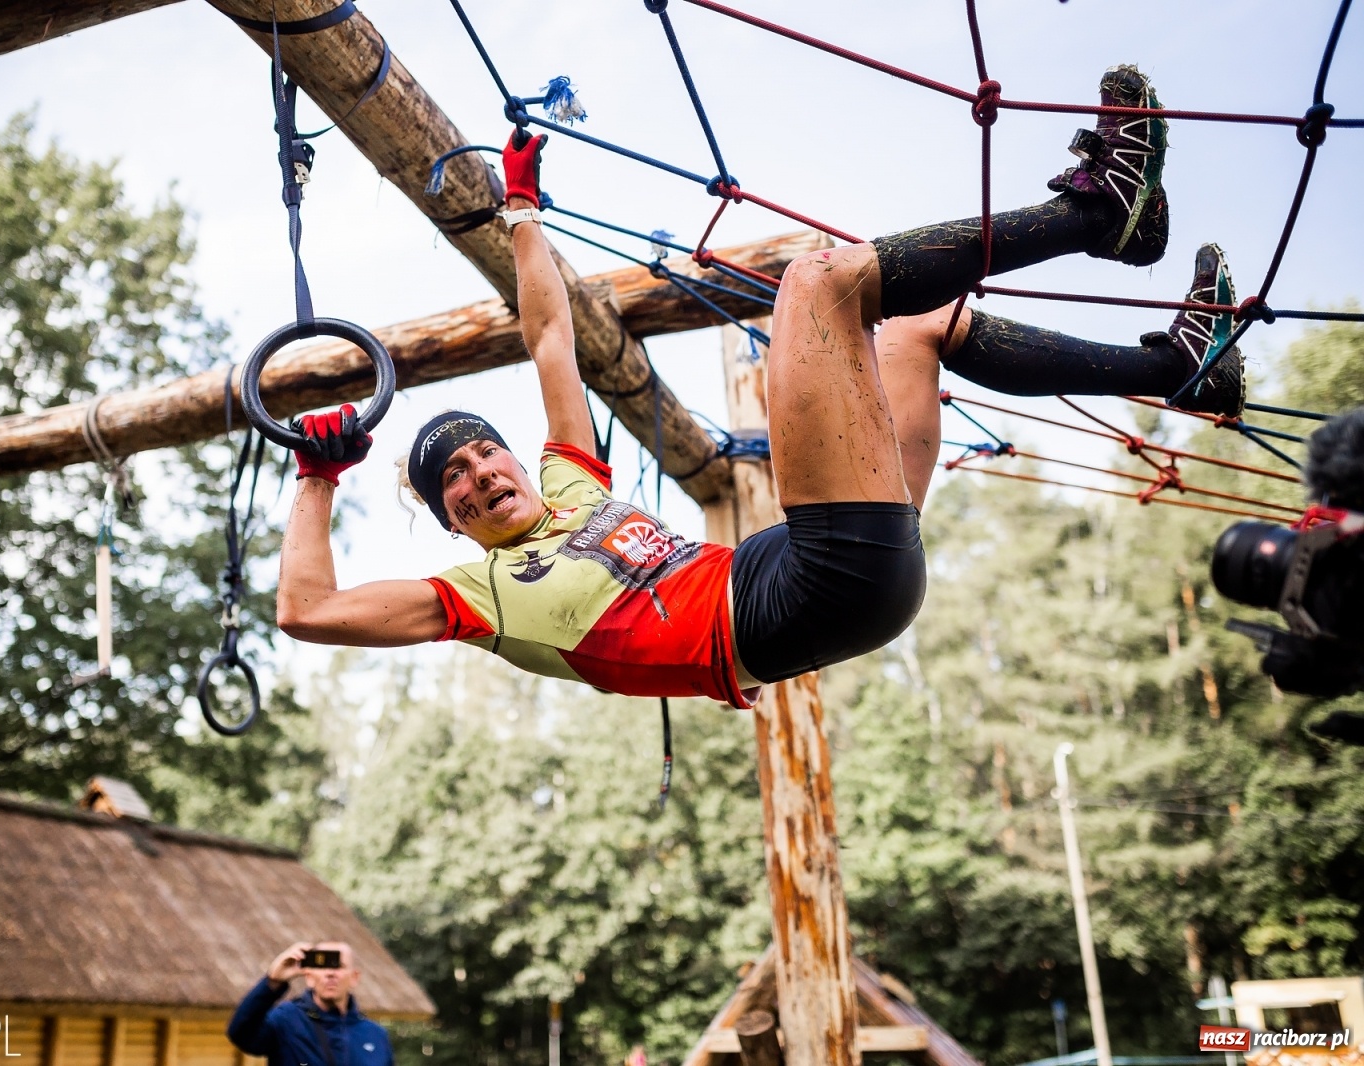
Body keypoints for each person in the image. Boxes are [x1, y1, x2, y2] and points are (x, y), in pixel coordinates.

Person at [275, 64, 1243, 703]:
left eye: (484, 448)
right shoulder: (472, 592)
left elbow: (550, 338)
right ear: (454, 521)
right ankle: (1095, 216)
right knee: (818, 280)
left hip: (823, 571)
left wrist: (521, 209)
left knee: (910, 329)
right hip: (806, 590)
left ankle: (1176, 372)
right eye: (458, 479)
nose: (482, 469)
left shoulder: (569, 482)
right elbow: (307, 612)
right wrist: (317, 478)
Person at [228, 940, 395, 1066]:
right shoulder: (287, 1020)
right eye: (323, 965)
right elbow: (240, 1033)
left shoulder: (375, 1035)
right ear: (308, 976)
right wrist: (272, 982)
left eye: (338, 965)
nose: (330, 973)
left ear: (354, 977)